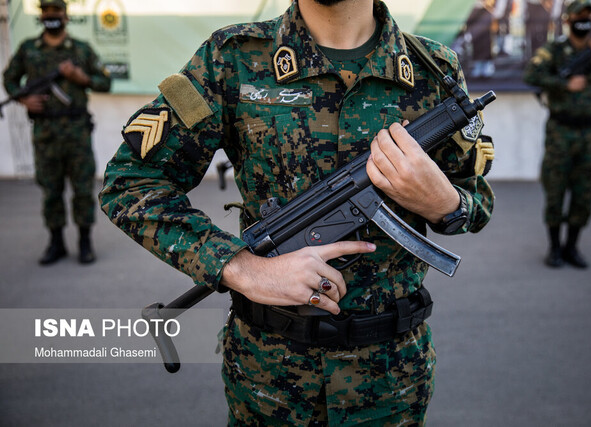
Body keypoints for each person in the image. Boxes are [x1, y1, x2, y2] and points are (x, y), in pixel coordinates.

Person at [100, 0, 494, 424]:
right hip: (269, 378)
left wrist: (445, 204)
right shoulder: (231, 58)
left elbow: (476, 202)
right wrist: (240, 267)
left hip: (392, 378)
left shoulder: (434, 68)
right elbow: (130, 182)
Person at [2, 0, 111, 265]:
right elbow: (9, 79)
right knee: (50, 191)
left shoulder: (80, 50)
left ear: (65, 16)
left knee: (83, 190)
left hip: (77, 133)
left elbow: (105, 82)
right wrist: (23, 99)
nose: (51, 16)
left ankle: (85, 242)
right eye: (46, 12)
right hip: (45, 134)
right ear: (41, 16)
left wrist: (79, 77)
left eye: (56, 12)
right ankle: (56, 243)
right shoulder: (29, 49)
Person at [523, 0, 591, 268]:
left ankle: (572, 247)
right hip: (561, 131)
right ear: (568, 20)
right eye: (579, 15)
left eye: (589, 16)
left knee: (584, 192)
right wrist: (564, 84)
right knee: (555, 190)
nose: (585, 20)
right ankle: (555, 248)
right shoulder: (555, 50)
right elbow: (531, 74)